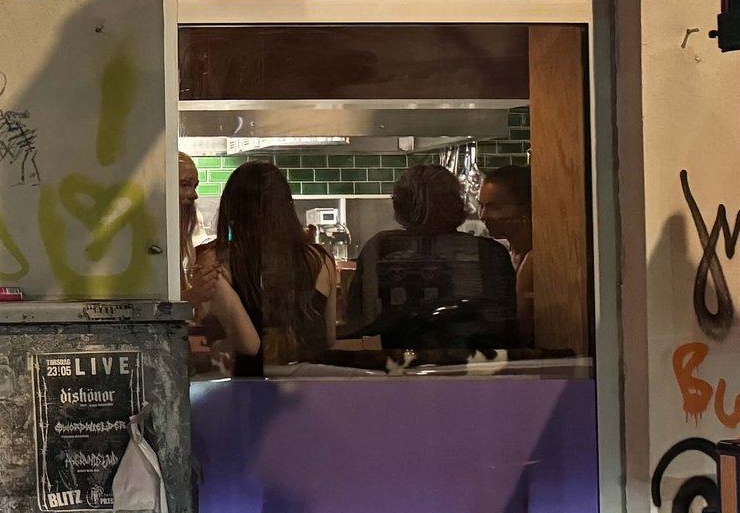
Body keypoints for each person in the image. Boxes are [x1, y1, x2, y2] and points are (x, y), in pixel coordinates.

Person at [348, 163, 518, 356]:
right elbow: (507, 329)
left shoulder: (380, 248)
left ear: (400, 205)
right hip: (477, 371)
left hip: (403, 370)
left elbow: (358, 320)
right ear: (457, 203)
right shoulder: (490, 252)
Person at [205, 159, 335, 373]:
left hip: (249, 391)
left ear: (233, 208)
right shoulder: (321, 259)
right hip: (312, 388)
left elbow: (244, 346)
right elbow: (329, 338)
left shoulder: (218, 260)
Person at [179, 152, 259, 374]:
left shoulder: (189, 250)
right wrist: (191, 298)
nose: (193, 194)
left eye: (194, 186)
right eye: (185, 185)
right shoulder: (160, 245)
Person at [477, 164, 537, 346]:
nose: (483, 215)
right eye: (481, 206)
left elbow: (521, 328)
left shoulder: (535, 260)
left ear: (526, 208)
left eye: (494, 207)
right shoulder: (505, 252)